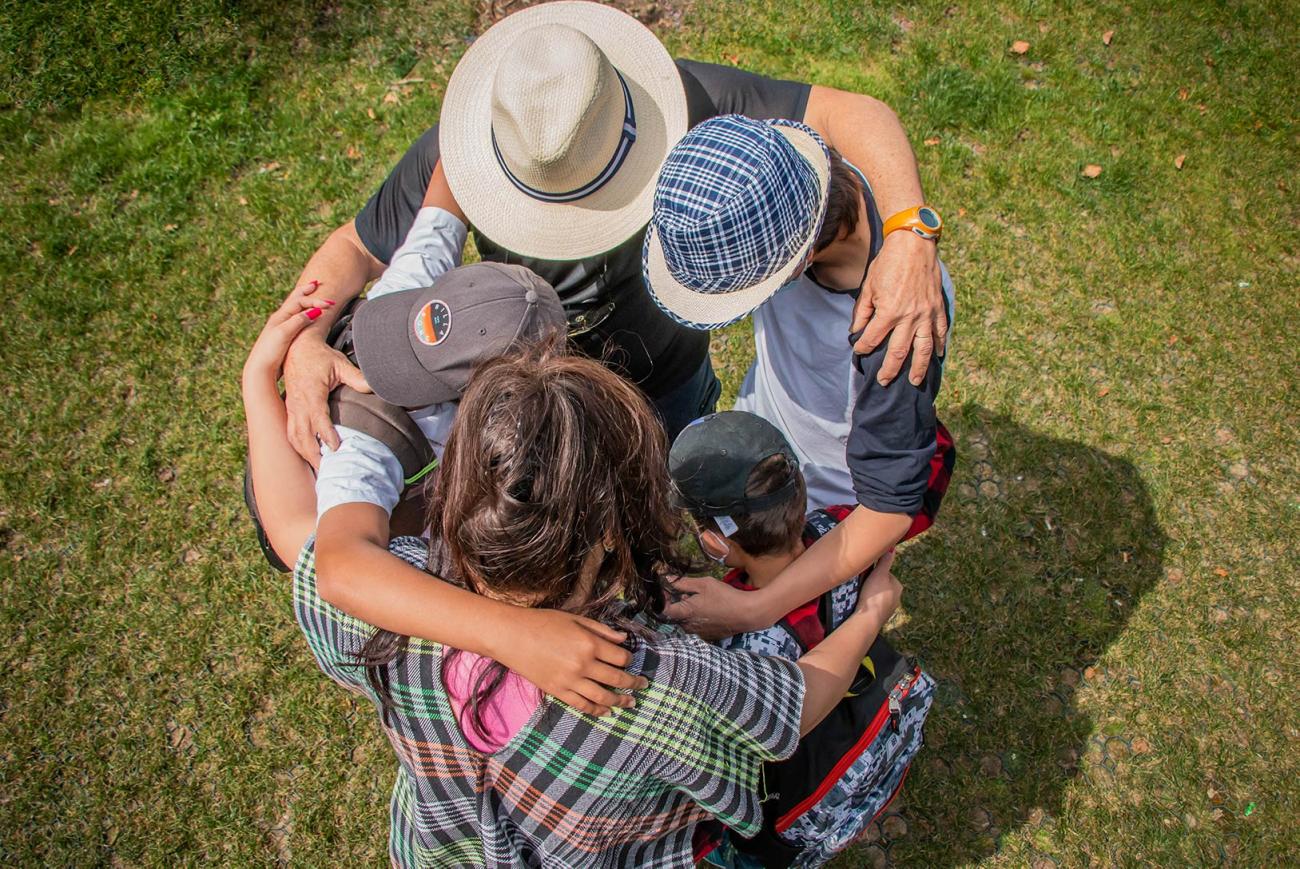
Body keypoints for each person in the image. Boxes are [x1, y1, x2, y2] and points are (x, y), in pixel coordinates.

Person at [242, 317, 906, 866]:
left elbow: (302, 532)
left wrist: (254, 383)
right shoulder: (657, 679)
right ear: (611, 534)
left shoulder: (389, 603)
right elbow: (796, 704)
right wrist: (872, 608)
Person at [278, 0, 949, 462]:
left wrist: (910, 231)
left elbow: (848, 111)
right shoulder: (462, 155)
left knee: (683, 480)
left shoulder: (681, 99)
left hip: (673, 376)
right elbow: (356, 247)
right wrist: (305, 334)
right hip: (544, 403)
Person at [643, 115, 955, 639]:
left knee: (806, 626)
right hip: (773, 421)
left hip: (831, 497)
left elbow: (887, 510)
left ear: (801, 259)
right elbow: (848, 109)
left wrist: (754, 609)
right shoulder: (772, 169)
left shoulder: (893, 330)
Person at [669, 411, 937, 867]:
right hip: (863, 736)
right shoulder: (840, 532)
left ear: (716, 543)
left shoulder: (735, 654)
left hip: (785, 804)